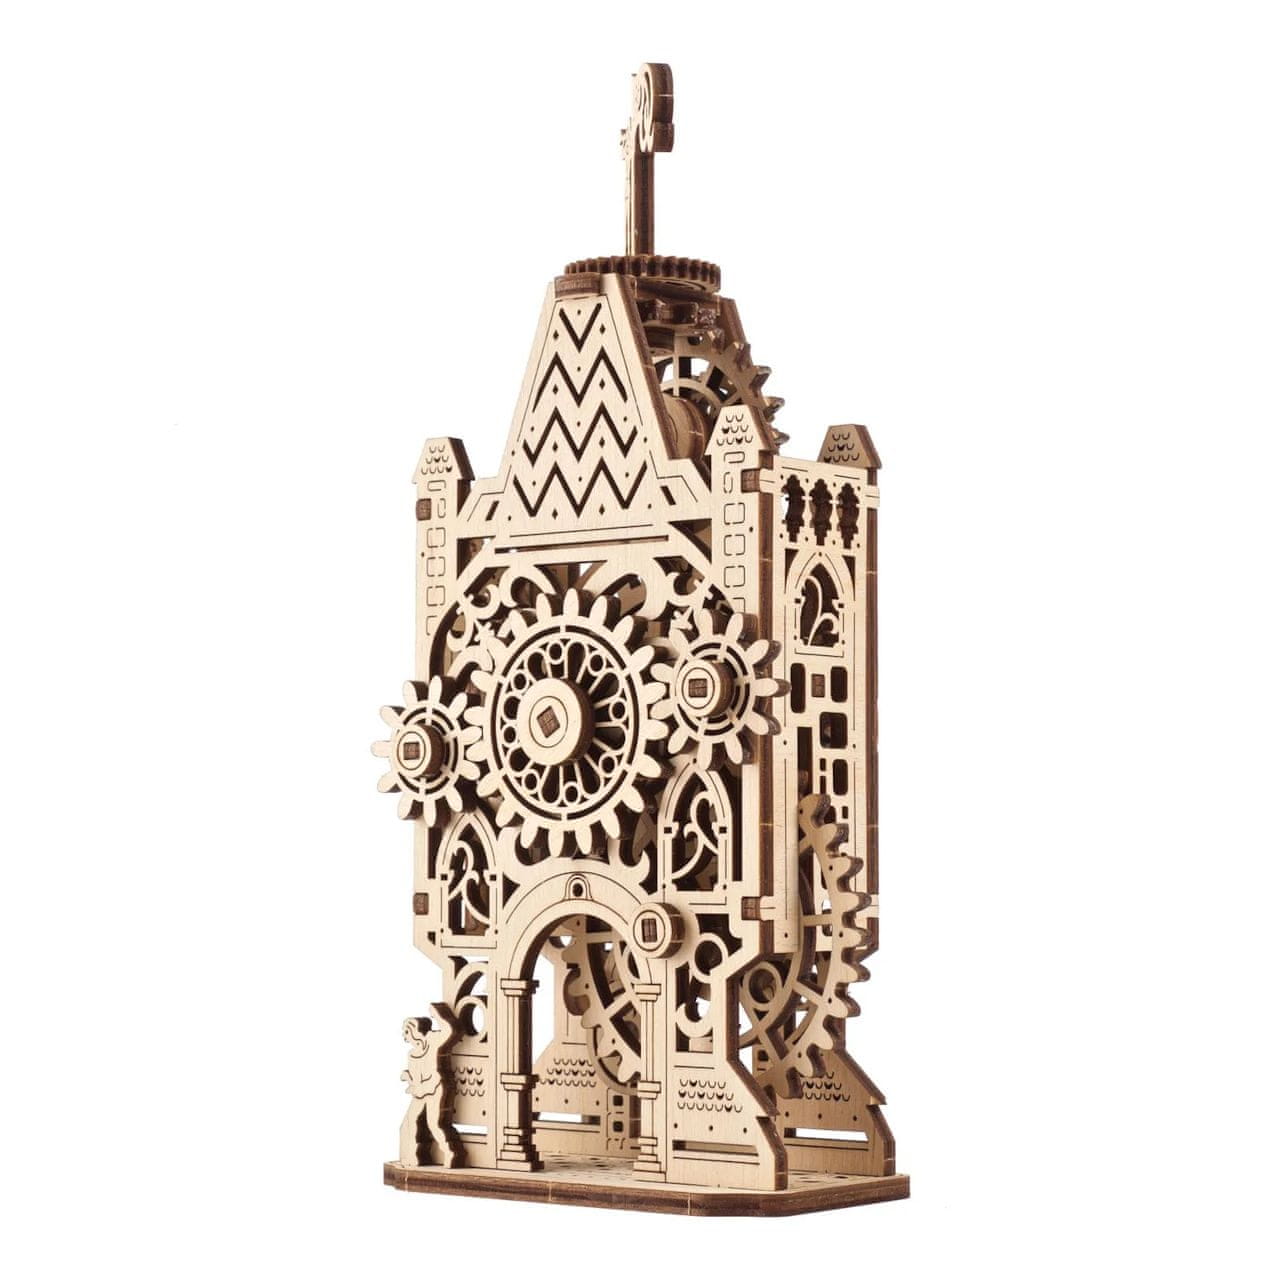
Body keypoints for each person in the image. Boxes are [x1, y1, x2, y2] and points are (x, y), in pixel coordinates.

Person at [399, 1004, 463, 1167]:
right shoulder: (412, 1054)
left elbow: (450, 1031)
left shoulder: (433, 1040)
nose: (404, 1036)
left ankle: (451, 1153)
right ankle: (413, 1156)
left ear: (415, 1031)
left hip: (435, 1088)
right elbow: (416, 1079)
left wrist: (438, 1013)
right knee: (408, 1123)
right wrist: (408, 1078)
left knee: (434, 1124)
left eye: (406, 1031)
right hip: (420, 1092)